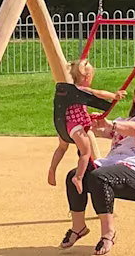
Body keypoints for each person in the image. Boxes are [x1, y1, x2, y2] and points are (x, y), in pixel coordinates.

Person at [60, 78, 135, 256]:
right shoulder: (125, 121)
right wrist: (80, 122)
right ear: (134, 99)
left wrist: (112, 124)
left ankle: (108, 233)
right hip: (115, 167)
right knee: (74, 175)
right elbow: (99, 130)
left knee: (99, 177)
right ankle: (78, 227)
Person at [49, 59, 126, 193]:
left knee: (62, 147)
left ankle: (52, 168)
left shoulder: (68, 90)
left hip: (63, 124)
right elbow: (99, 93)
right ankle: (78, 177)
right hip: (75, 127)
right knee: (86, 152)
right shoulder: (84, 90)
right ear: (87, 77)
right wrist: (115, 95)